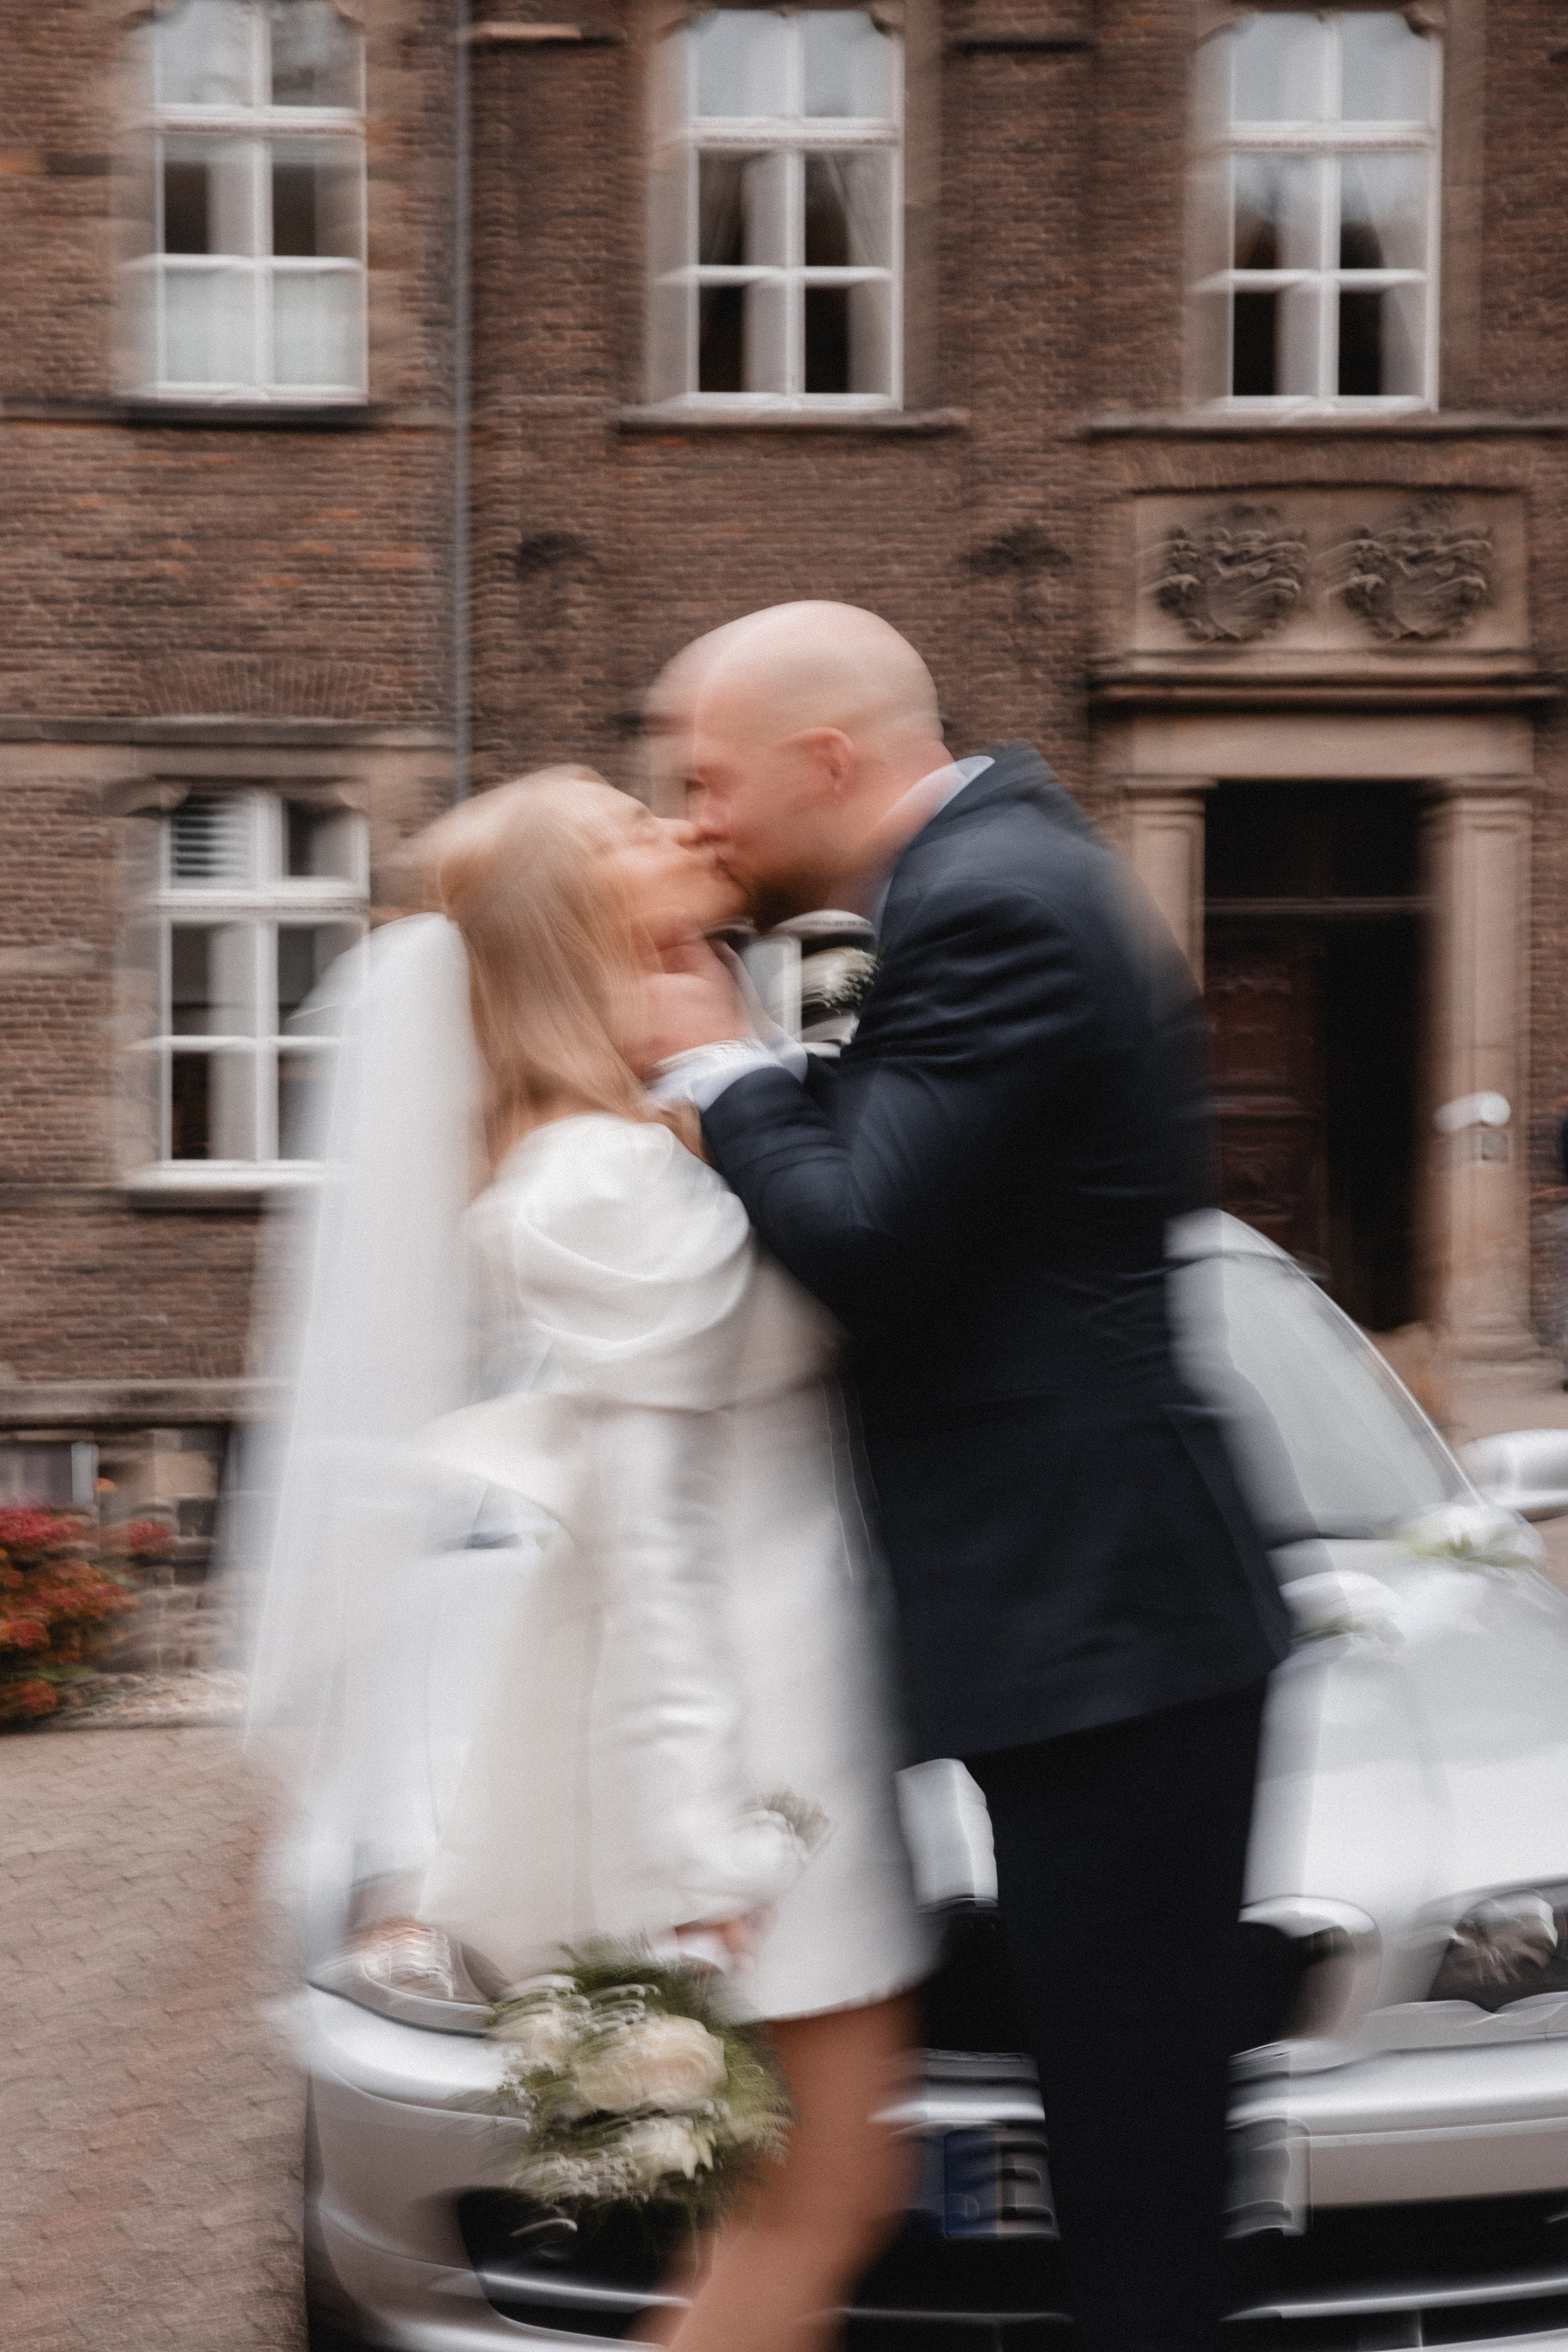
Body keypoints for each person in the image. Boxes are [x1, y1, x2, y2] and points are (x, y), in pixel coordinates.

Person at [642, 603, 1295, 2352]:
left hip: (1110, 1631)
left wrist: (711, 1056)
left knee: (1139, 2170)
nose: (697, 820)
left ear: (828, 760)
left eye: (709, 780)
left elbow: (867, 1235)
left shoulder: (993, 902)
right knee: (1128, 2143)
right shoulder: (991, 875)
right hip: (1089, 1622)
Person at [251, 767, 935, 2352]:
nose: (676, 826)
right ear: (579, 922)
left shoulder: (650, 1128)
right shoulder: (586, 1185)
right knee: (823, 2207)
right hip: (756, 1739)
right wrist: (705, 1854)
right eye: (632, 825)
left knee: (783, 2222)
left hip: (798, 1707)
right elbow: (654, 1537)